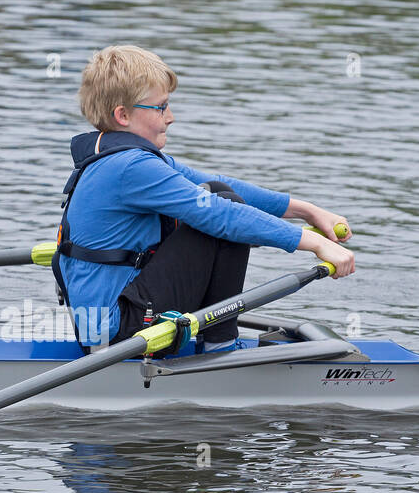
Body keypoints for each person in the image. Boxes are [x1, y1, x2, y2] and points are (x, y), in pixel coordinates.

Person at [53, 44, 355, 353]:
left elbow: (219, 185)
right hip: (118, 333)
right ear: (123, 115)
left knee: (220, 193)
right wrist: (316, 243)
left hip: (105, 322)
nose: (171, 117)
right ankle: (219, 347)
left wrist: (308, 211)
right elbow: (221, 215)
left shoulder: (113, 154)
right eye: (161, 107)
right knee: (226, 214)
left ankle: (214, 339)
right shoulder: (132, 167)